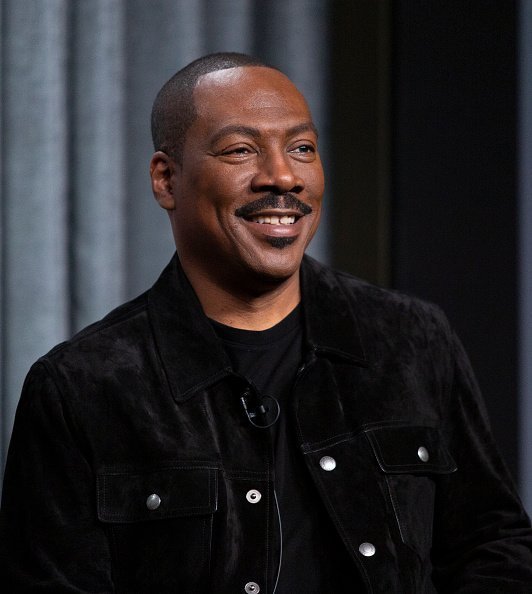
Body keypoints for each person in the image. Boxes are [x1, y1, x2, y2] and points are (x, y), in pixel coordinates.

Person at [1, 52, 531, 593]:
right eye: (240, 150)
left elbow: (492, 545)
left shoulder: (412, 340)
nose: (282, 176)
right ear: (166, 179)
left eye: (302, 149)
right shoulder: (83, 386)